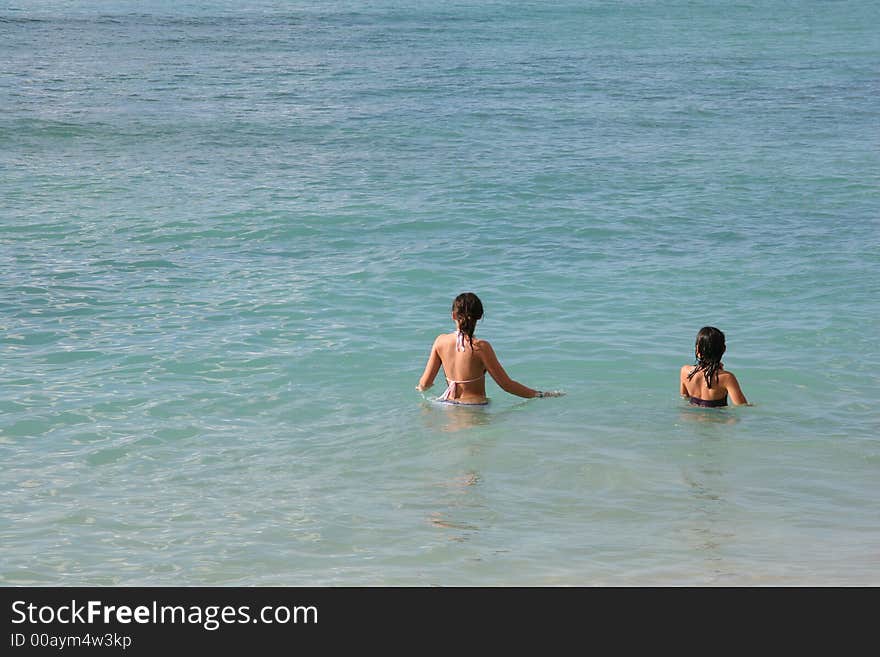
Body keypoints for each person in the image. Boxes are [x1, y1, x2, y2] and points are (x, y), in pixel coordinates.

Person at [416, 292, 563, 405]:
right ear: (479, 317)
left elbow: (425, 383)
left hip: (448, 404)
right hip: (475, 407)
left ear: (453, 315)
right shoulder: (481, 347)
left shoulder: (440, 341)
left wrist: (422, 389)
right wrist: (539, 394)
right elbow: (507, 385)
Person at [680, 326, 748, 407]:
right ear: (723, 350)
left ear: (697, 350)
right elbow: (742, 406)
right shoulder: (727, 378)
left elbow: (685, 397)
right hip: (717, 419)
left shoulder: (685, 371)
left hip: (691, 417)